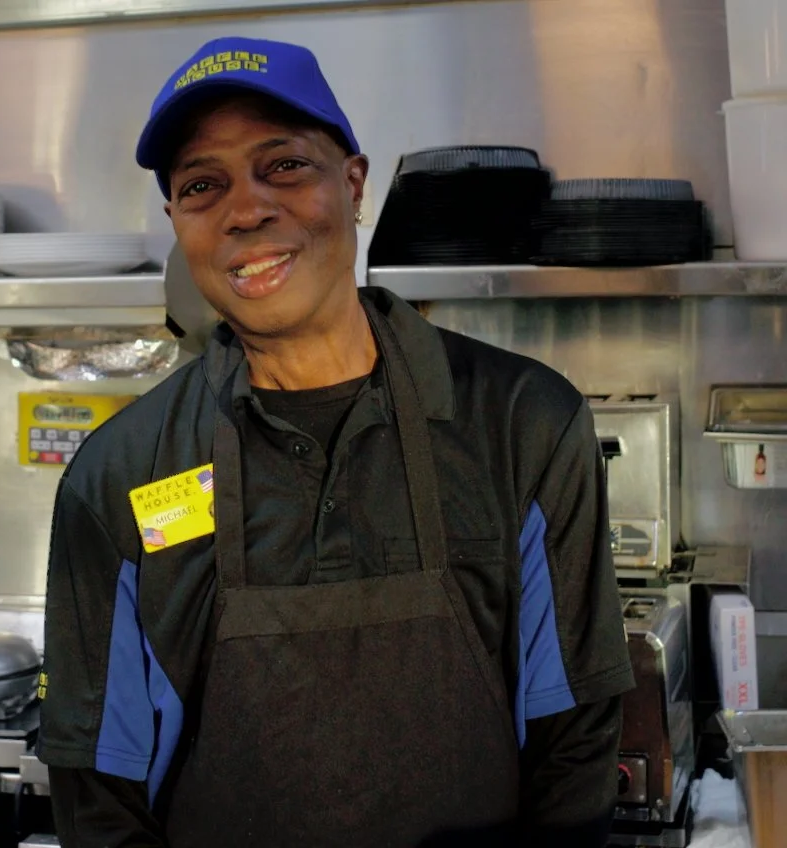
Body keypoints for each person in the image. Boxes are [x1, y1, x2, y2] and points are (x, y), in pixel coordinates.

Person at [37, 35, 634, 848]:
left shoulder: (521, 422)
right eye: (203, 185)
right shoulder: (123, 474)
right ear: (178, 222)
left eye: (283, 166)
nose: (246, 209)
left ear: (353, 184)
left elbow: (574, 735)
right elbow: (97, 785)